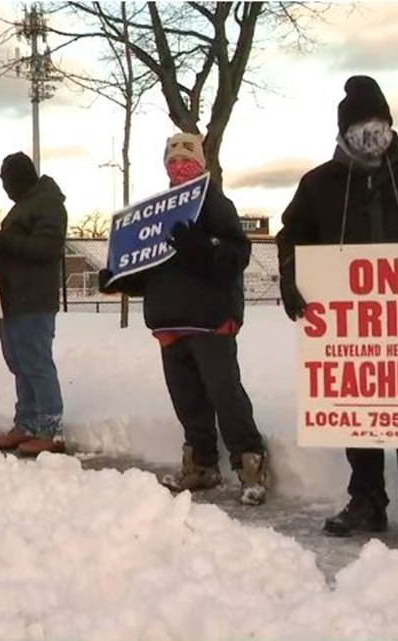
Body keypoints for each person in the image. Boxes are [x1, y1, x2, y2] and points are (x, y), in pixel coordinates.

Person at [275, 75, 398, 557]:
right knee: (356, 411)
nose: (370, 132)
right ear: (343, 131)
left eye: (378, 122)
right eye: (360, 125)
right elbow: (291, 234)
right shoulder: (319, 184)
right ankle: (366, 500)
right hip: (349, 328)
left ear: (390, 124)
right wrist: (290, 275)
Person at [97, 132, 271, 505]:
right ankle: (201, 464)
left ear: (201, 164)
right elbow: (152, 272)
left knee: (226, 395)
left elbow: (236, 255)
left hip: (209, 319)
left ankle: (251, 466)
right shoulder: (156, 213)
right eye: (172, 161)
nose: (179, 167)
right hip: (169, 322)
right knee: (188, 399)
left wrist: (201, 247)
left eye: (186, 160)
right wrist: (118, 278)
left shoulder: (214, 203)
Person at [0, 152, 68, 457]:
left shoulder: (48, 204)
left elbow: (48, 248)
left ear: (20, 178)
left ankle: (50, 429)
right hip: (12, 300)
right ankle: (27, 424)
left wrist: (2, 242)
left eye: (7, 181)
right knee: (19, 363)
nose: (5, 188)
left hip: (33, 299)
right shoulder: (21, 207)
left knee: (36, 363)